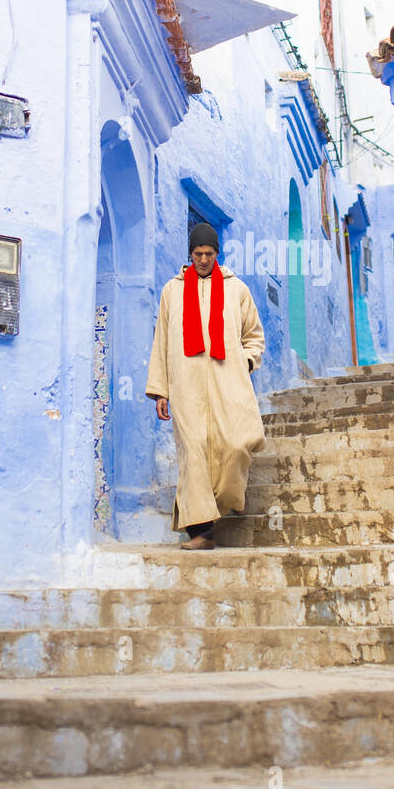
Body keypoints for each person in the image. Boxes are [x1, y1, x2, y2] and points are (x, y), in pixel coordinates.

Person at [145, 222, 266, 550]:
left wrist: (247, 361)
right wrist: (161, 390)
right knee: (194, 452)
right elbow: (161, 342)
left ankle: (224, 503)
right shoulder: (172, 290)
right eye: (197, 254)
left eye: (208, 254)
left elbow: (254, 335)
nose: (202, 259)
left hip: (228, 381)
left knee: (237, 444)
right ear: (190, 254)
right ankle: (201, 533)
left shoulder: (236, 289)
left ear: (217, 254)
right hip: (186, 385)